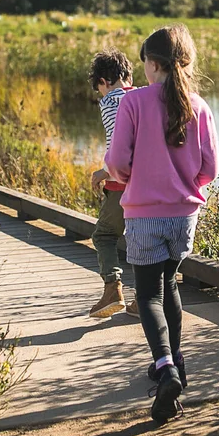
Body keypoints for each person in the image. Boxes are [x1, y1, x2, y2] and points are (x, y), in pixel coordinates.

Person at [104, 24, 219, 423]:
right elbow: (210, 169)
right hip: (184, 215)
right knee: (170, 284)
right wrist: (182, 185)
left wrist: (133, 178)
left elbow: (117, 162)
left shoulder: (133, 102)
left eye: (145, 64)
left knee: (149, 294)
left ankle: (165, 367)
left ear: (153, 64)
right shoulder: (199, 106)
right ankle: (177, 364)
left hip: (144, 214)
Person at [87, 50, 137, 318]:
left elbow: (120, 144)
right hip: (147, 183)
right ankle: (144, 299)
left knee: (104, 235)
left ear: (104, 82)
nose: (101, 94)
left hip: (120, 183)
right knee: (140, 239)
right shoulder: (143, 97)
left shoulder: (110, 101)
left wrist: (105, 172)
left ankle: (112, 289)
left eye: (99, 89)